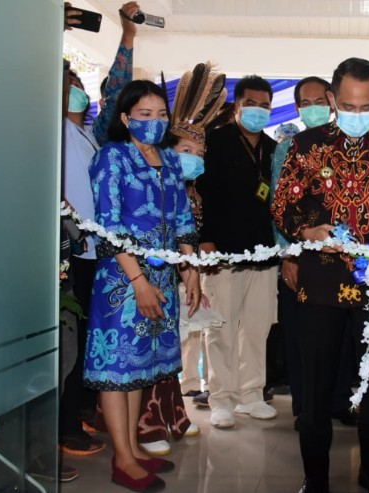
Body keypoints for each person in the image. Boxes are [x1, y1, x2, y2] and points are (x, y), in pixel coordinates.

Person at [272, 57, 369, 493]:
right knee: (316, 387)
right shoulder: (305, 145)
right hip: (319, 284)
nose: (358, 115)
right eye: (350, 106)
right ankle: (315, 478)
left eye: (367, 107)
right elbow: (282, 206)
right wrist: (307, 231)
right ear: (333, 100)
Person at [84, 79, 201, 491]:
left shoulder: (169, 159)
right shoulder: (112, 157)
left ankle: (132, 448)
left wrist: (191, 269)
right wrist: (138, 281)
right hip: (123, 282)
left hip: (162, 278)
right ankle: (121, 459)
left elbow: (183, 218)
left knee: (140, 370)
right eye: (144, 114)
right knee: (118, 369)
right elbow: (108, 226)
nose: (154, 121)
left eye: (161, 114)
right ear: (125, 117)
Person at [135, 63, 228, 456]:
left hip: (177, 278)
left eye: (200, 152)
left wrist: (192, 278)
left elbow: (187, 239)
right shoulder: (147, 181)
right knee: (149, 350)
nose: (194, 158)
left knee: (170, 350)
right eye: (186, 151)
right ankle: (146, 422)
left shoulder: (193, 192)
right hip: (144, 278)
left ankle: (172, 413)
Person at [60, 1, 138, 457]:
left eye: (76, 82)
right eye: (66, 82)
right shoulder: (48, 129)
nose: (74, 88)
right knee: (69, 338)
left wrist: (128, 37)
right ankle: (65, 424)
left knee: (87, 336)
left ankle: (83, 412)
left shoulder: (93, 135)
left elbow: (119, 87)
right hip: (67, 248)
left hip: (95, 250)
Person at [270, 76, 360, 430]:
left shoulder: (353, 144)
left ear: (333, 101)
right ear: (297, 108)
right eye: (305, 103)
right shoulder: (288, 148)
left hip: (346, 260)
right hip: (303, 257)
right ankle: (305, 407)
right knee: (302, 337)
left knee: (343, 335)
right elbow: (279, 207)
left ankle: (339, 400)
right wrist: (289, 256)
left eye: (319, 101)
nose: (314, 108)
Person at [197, 75, 279, 428]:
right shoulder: (214, 142)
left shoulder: (274, 149)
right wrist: (205, 239)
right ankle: (221, 398)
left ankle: (251, 394)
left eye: (264, 106)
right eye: (251, 104)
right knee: (221, 326)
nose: (258, 111)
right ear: (237, 107)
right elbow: (200, 195)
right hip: (221, 251)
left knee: (258, 327)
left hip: (264, 252)